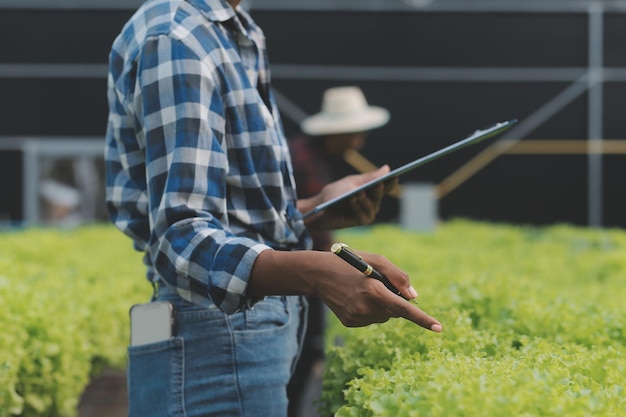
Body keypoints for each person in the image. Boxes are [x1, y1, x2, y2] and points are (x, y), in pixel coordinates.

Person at [104, 1, 442, 417]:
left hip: (232, 339)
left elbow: (228, 216)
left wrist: (313, 210)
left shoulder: (229, 30)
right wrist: (317, 272)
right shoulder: (178, 38)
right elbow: (181, 239)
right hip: (218, 342)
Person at [286, 86, 391, 415]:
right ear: (340, 131)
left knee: (306, 349)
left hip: (304, 265)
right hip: (295, 272)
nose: (360, 139)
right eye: (356, 131)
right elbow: (299, 220)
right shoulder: (303, 160)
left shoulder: (316, 155)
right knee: (300, 352)